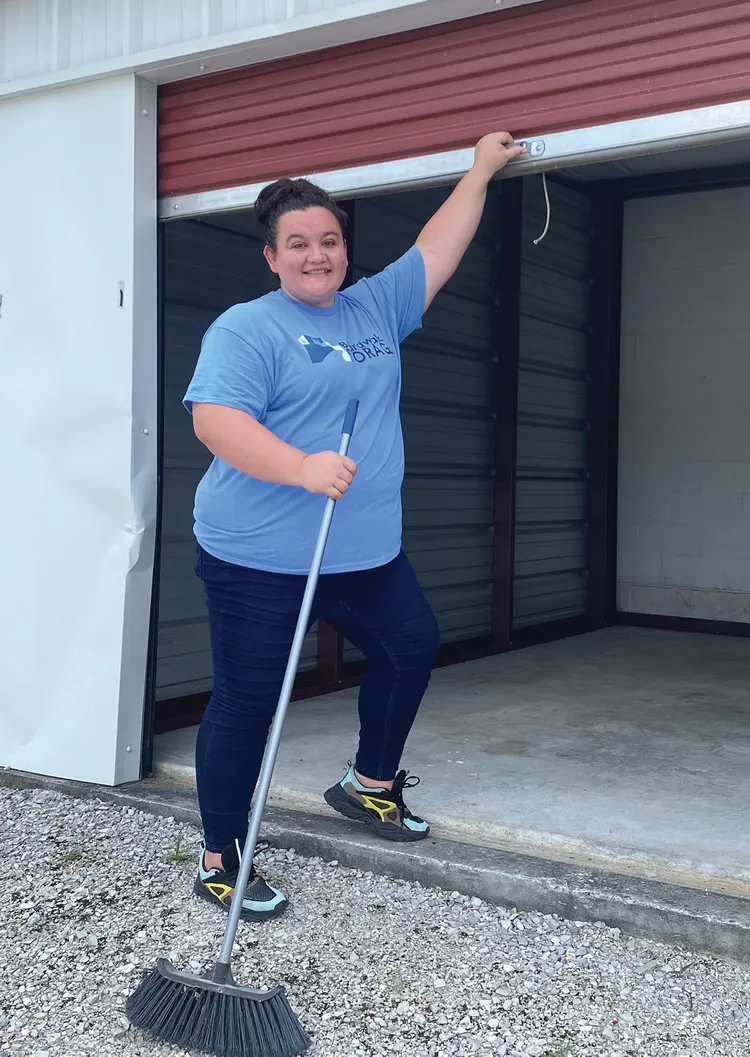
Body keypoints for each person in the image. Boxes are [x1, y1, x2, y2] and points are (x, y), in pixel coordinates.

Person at [181, 131, 526, 920]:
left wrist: (478, 171)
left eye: (329, 240)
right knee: (248, 701)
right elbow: (215, 421)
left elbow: (438, 246)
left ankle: (367, 783)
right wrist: (300, 467)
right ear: (272, 255)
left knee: (412, 646)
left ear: (344, 247)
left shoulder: (375, 305)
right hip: (260, 556)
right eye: (297, 243)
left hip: (363, 550)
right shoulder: (248, 328)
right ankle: (219, 855)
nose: (317, 255)